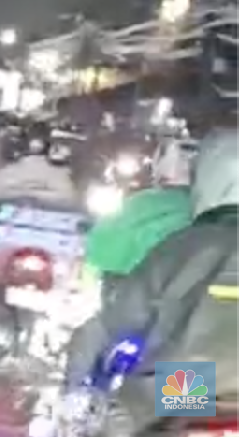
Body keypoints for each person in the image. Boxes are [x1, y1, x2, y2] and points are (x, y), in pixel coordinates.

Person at [60, 127, 239, 437]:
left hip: (192, 383)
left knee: (119, 421)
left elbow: (111, 323)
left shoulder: (188, 244)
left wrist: (74, 390)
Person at [0, 121, 78, 207]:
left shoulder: (66, 174)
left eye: (64, 144)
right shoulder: (17, 166)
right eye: (55, 143)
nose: (56, 148)